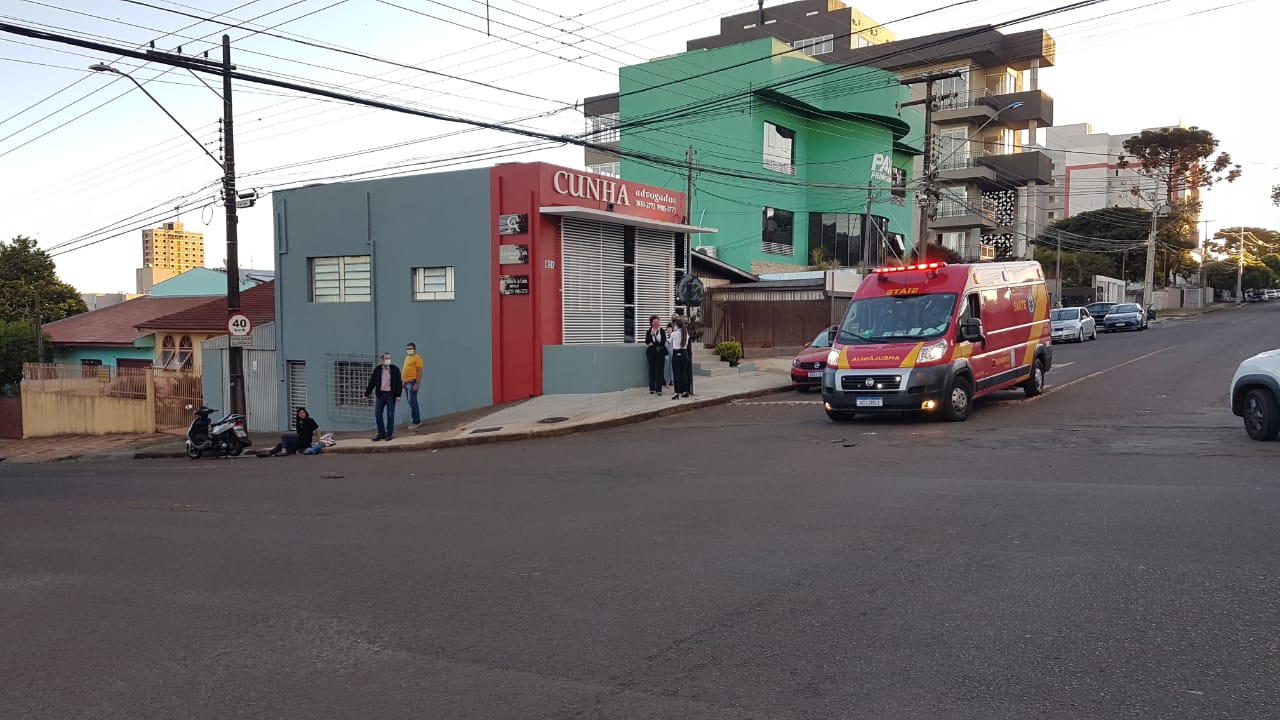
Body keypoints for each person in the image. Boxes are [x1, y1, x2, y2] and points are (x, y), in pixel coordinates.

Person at [364, 352, 402, 441]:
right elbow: (372, 382)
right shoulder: (377, 370)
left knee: (390, 414)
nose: (388, 360)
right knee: (378, 414)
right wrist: (366, 394)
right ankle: (381, 433)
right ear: (382, 360)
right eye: (386, 359)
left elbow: (399, 383)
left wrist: (398, 395)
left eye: (389, 358)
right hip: (380, 395)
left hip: (391, 395)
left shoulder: (395, 369)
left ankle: (389, 434)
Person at [644, 314, 667, 394]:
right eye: (654, 322)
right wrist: (651, 335)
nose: (656, 323)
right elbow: (647, 342)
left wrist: (655, 339)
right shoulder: (648, 331)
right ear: (651, 323)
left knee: (659, 370)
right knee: (652, 370)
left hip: (660, 352)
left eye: (657, 321)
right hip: (651, 353)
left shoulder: (662, 331)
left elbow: (663, 342)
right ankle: (652, 388)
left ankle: (659, 389)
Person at [402, 342, 424, 429]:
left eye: (410, 348)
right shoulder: (407, 358)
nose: (409, 350)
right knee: (410, 402)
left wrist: (417, 384)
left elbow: (420, 371)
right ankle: (416, 420)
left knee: (413, 402)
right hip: (406, 382)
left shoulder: (417, 358)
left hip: (412, 382)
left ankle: (416, 421)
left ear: (414, 349)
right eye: (407, 349)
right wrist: (403, 381)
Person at [670, 316, 692, 399]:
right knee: (683, 374)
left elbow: (669, 342)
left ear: (676, 326)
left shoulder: (674, 334)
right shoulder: (686, 334)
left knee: (676, 374)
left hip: (676, 353)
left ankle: (676, 392)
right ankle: (685, 391)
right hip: (684, 353)